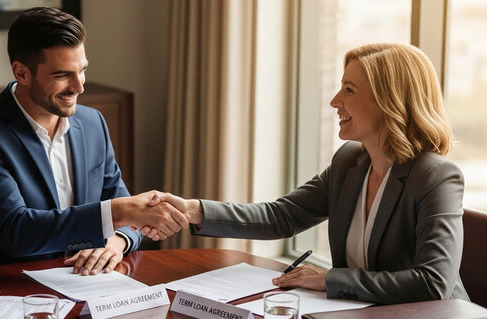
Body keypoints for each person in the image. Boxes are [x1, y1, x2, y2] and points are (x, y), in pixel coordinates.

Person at [148, 43, 468, 304]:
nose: (334, 101)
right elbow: (281, 216)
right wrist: (192, 210)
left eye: (349, 90)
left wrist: (328, 279)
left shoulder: (435, 176)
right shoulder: (350, 162)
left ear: (389, 100)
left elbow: (433, 283)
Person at [0, 7, 187, 272]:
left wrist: (118, 240)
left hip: (94, 284)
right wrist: (115, 213)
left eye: (82, 70)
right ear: (22, 72)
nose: (79, 86)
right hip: (15, 292)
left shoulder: (93, 123)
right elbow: (16, 232)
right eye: (62, 75)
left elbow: (130, 217)